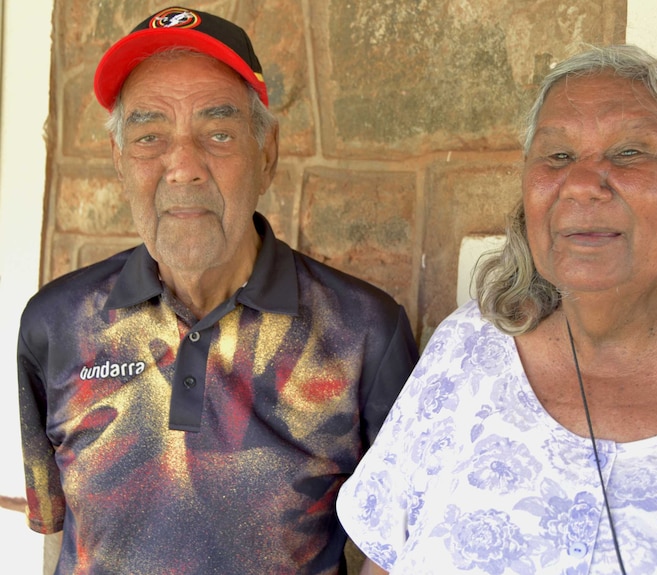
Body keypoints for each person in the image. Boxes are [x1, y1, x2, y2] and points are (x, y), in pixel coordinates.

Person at [336, 44, 657, 574]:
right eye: (558, 156)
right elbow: (384, 560)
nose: (584, 183)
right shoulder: (468, 349)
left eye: (630, 152)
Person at [17, 6, 418, 574]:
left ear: (267, 153)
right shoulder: (55, 324)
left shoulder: (364, 332)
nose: (182, 166)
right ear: (118, 161)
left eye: (218, 132)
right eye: (150, 135)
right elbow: (58, 535)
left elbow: (401, 547)